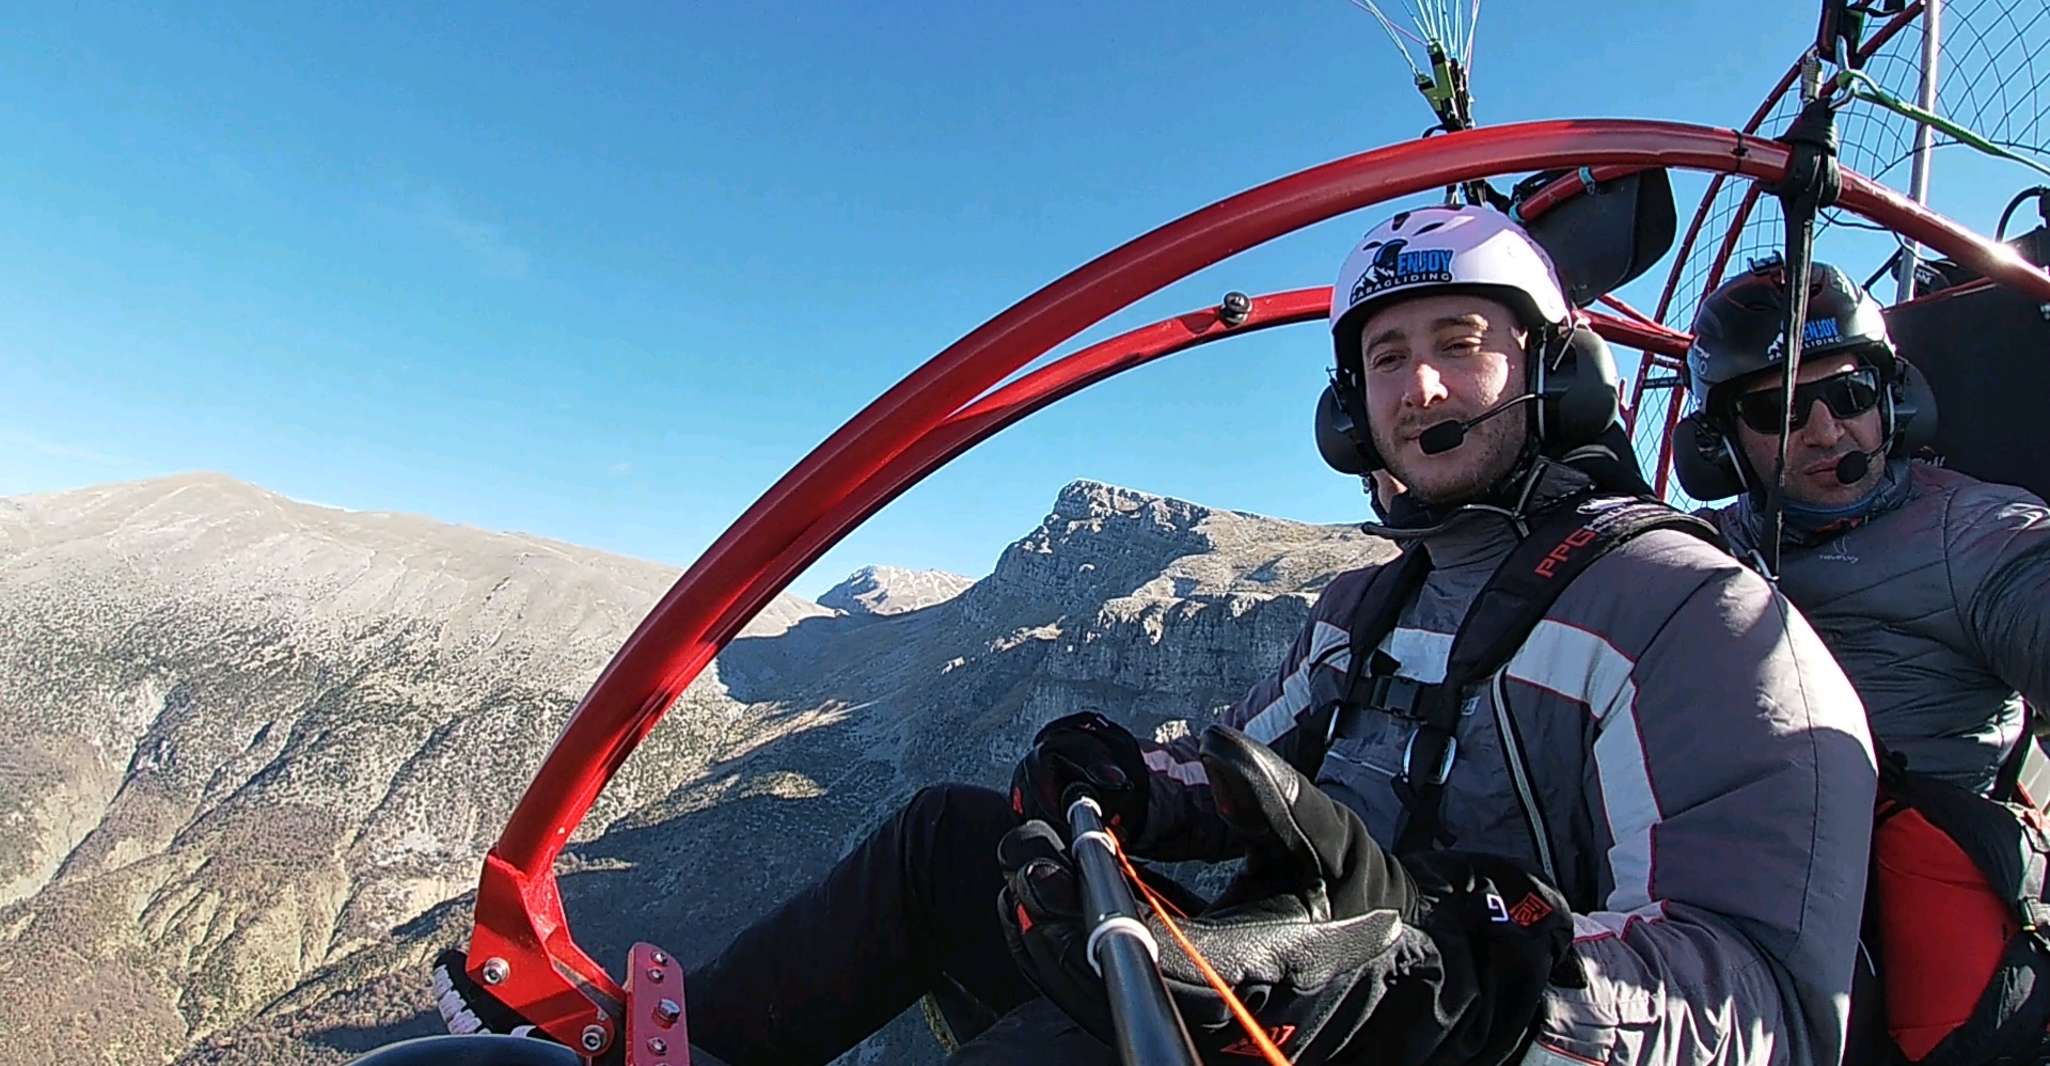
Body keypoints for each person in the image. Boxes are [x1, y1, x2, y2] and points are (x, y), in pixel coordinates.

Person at [436, 206, 1876, 1066]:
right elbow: (1248, 761)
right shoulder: (1361, 607)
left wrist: (1448, 980)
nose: (1420, 378)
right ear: (1347, 415)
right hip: (1278, 999)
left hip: (1444, 1042)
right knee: (949, 837)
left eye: (1461, 341)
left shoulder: (1694, 618)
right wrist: (1138, 777)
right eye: (1384, 354)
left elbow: (1763, 1002)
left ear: (1551, 372)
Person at [1677, 260, 2050, 797]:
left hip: (1917, 860)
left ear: (1894, 400)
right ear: (1723, 443)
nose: (1827, 434)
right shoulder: (1696, 549)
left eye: (1852, 395)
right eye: (1779, 410)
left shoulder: (1977, 530)